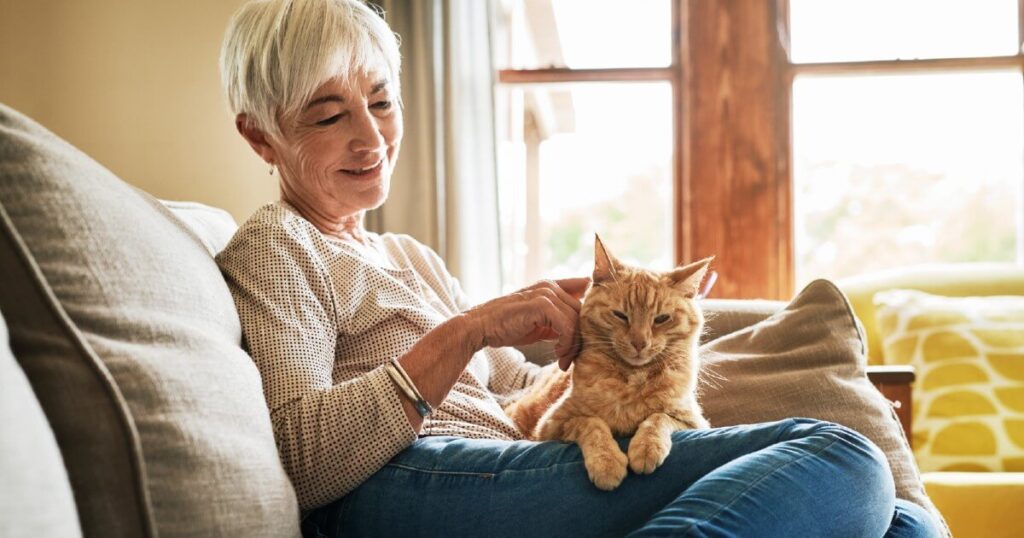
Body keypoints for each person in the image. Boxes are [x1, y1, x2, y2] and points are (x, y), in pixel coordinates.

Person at [214, 1, 942, 536]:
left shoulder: (409, 256)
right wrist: (468, 330)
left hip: (508, 469)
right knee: (843, 457)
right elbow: (304, 459)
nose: (371, 136)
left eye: (380, 101)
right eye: (328, 115)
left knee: (900, 523)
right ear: (260, 135)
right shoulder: (278, 246)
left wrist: (603, 343)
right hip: (404, 490)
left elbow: (520, 390)